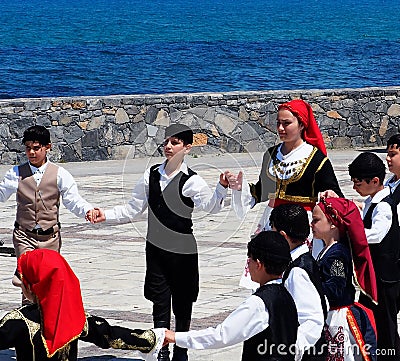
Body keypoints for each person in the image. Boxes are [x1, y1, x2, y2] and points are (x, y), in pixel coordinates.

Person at [92, 123, 228, 361]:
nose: (168, 146)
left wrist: (222, 187)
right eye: (166, 142)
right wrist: (107, 215)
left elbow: (211, 206)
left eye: (175, 142)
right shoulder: (150, 175)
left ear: (187, 147)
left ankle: (181, 351)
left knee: (183, 303)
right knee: (159, 302)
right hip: (155, 250)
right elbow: (133, 209)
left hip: (183, 252)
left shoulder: (191, 181)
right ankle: (161, 349)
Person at [0, 249, 164, 361]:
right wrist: (155, 337)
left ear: (33, 287)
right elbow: (112, 336)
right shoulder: (75, 319)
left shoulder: (18, 322)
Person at [225, 99, 343, 253]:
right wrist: (241, 187)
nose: (281, 128)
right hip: (272, 221)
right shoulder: (272, 154)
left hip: (301, 225)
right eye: (278, 123)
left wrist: (331, 196)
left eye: (286, 123)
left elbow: (336, 196)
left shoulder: (316, 159)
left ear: (301, 125)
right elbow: (263, 190)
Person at [164, 231, 298, 361]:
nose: (248, 264)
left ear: (258, 264)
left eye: (250, 259)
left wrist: (175, 337)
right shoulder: (286, 294)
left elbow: (221, 335)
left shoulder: (259, 303)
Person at [0, 125, 95, 258]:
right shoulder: (16, 173)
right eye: (28, 148)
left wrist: (87, 210)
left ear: (48, 147)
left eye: (36, 148)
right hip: (24, 236)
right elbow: (2, 194)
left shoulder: (60, 174)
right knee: (27, 273)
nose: (31, 152)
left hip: (51, 238)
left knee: (48, 276)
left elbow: (72, 199)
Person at [311, 197, 377, 361]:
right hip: (331, 314)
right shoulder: (328, 250)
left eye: (316, 220)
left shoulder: (337, 255)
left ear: (333, 223)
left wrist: (310, 288)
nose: (311, 224)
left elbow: (336, 286)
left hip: (338, 318)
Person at [349, 150, 400, 359]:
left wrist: (351, 231)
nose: (354, 187)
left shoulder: (385, 206)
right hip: (374, 277)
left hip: (386, 278)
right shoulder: (372, 201)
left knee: (385, 324)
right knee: (371, 319)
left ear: (375, 180)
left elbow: (376, 235)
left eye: (358, 183)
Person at [270, 204, 327, 361]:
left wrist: (291, 350)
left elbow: (312, 320)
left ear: (282, 236)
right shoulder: (301, 261)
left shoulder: (298, 272)